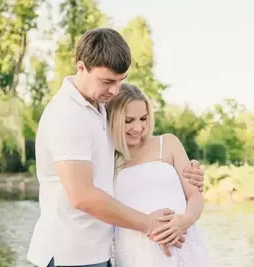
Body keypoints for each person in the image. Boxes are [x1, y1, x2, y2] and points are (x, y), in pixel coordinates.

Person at [27, 28, 205, 267]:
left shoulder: (98, 107)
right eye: (107, 81)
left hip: (98, 253)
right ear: (81, 68)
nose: (114, 90)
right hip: (70, 254)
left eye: (119, 82)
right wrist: (150, 224)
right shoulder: (68, 115)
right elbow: (82, 196)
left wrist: (191, 173)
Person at [106, 83, 211, 267]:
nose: (138, 128)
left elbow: (195, 195)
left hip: (182, 246)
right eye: (128, 121)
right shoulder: (107, 159)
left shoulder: (168, 144)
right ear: (112, 119)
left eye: (143, 118)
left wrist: (183, 222)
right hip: (136, 253)